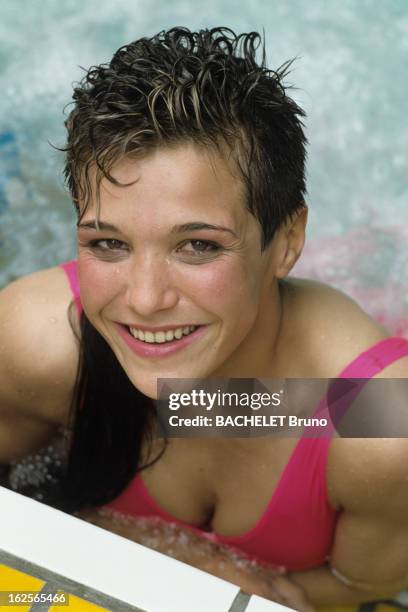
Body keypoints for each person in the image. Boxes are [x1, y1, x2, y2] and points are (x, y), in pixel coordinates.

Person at [1, 27, 408, 611]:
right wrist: (169, 553)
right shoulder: (39, 340)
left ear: (288, 239)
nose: (143, 299)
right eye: (108, 243)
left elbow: (358, 590)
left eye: (198, 246)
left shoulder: (374, 425)